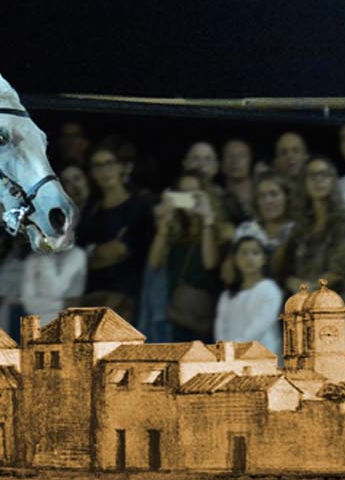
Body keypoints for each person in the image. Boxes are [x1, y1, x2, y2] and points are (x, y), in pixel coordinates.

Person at [148, 170, 228, 342]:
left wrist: (207, 219)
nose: (189, 198)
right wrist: (165, 223)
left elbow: (209, 262)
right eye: (183, 193)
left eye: (194, 192)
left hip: (206, 316)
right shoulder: (177, 231)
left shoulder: (219, 228)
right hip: (178, 315)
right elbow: (154, 263)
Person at [78, 142, 154, 323]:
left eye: (109, 164)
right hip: (90, 295)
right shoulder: (90, 210)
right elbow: (80, 257)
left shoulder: (139, 207)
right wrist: (96, 254)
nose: (105, 171)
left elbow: (119, 250)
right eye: (98, 166)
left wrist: (94, 253)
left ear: (121, 167)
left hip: (125, 295)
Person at [277, 157, 345, 311]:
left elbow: (341, 269)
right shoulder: (301, 225)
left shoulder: (344, 221)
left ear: (332, 181)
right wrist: (291, 282)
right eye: (312, 176)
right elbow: (286, 269)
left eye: (324, 175)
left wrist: (309, 287)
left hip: (336, 301)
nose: (318, 180)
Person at [214, 236, 284, 358]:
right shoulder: (227, 295)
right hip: (230, 358)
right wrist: (224, 349)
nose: (249, 258)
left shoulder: (270, 290)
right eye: (244, 253)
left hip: (262, 356)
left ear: (264, 259)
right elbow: (220, 327)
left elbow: (260, 326)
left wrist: (237, 348)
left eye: (255, 253)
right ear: (235, 259)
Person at [233, 171, 294, 260]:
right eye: (262, 196)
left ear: (286, 196)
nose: (268, 201)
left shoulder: (297, 230)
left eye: (274, 194)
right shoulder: (246, 230)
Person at [220, 139, 255, 223]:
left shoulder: (262, 196)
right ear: (222, 164)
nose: (235, 161)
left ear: (250, 161)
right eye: (229, 156)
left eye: (241, 156)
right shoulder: (217, 199)